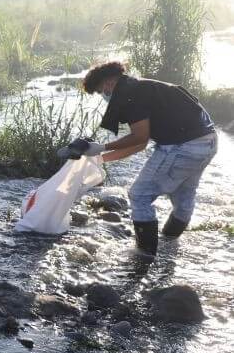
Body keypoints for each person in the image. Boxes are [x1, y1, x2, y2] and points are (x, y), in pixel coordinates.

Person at [61, 61, 218, 259]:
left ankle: (144, 256)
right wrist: (100, 159)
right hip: (208, 142)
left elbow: (139, 138)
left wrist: (103, 147)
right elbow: (140, 144)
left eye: (101, 90)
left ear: (109, 82)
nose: (103, 95)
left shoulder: (130, 95)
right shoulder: (143, 86)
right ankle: (169, 243)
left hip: (182, 146)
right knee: (183, 196)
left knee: (139, 195)